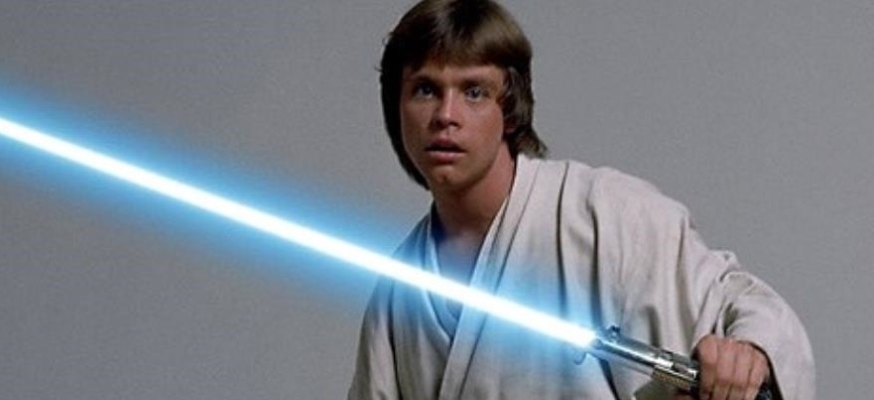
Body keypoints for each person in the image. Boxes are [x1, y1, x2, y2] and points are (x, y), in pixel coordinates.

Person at [348, 1, 815, 399]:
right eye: (425, 90)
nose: (446, 116)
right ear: (397, 107)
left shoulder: (605, 214)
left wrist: (749, 353)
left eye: (474, 92)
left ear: (509, 108)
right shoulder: (398, 292)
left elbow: (748, 303)